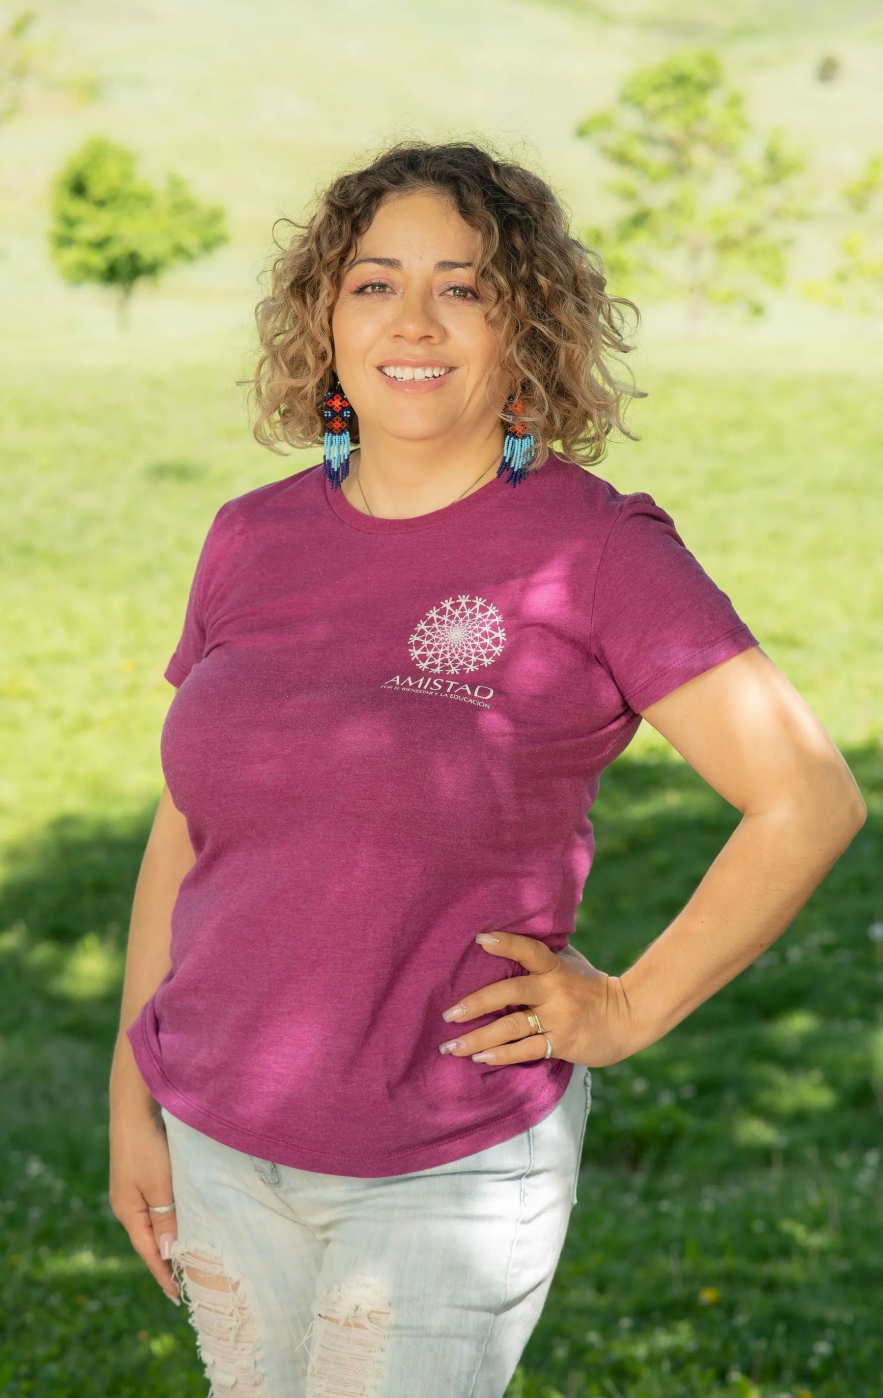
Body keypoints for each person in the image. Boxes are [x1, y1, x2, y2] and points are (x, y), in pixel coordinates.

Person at [108, 142, 865, 1398]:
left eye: (461, 287)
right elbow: (188, 828)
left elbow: (805, 795)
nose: (412, 322)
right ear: (323, 316)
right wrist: (134, 1089)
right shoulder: (250, 537)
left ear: (525, 326)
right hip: (218, 1129)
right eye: (373, 284)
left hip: (441, 1157)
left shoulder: (591, 548)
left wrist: (624, 1008)